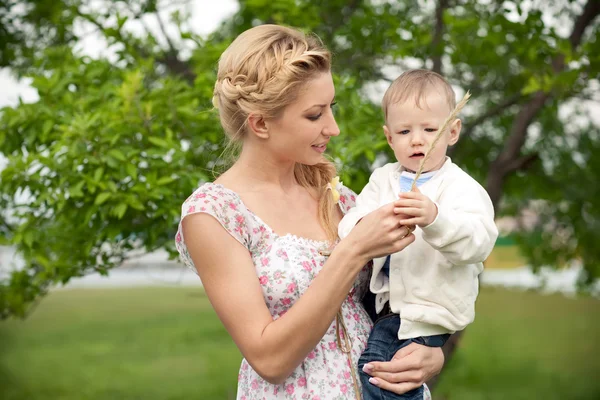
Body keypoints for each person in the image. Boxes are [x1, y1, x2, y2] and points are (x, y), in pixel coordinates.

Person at [175, 25, 445, 399]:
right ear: (260, 123)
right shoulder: (214, 216)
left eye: (330, 108)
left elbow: (398, 298)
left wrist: (431, 350)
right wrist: (353, 251)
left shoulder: (343, 199)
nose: (332, 128)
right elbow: (270, 360)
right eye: (315, 115)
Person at [338, 69, 499, 400]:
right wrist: (368, 225)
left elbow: (478, 242)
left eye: (430, 129)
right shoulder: (384, 179)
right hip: (384, 302)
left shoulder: (461, 188)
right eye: (404, 131)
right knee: (379, 362)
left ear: (452, 131)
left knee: (379, 368)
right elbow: (353, 221)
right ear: (389, 138)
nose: (417, 140)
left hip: (426, 311)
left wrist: (435, 218)